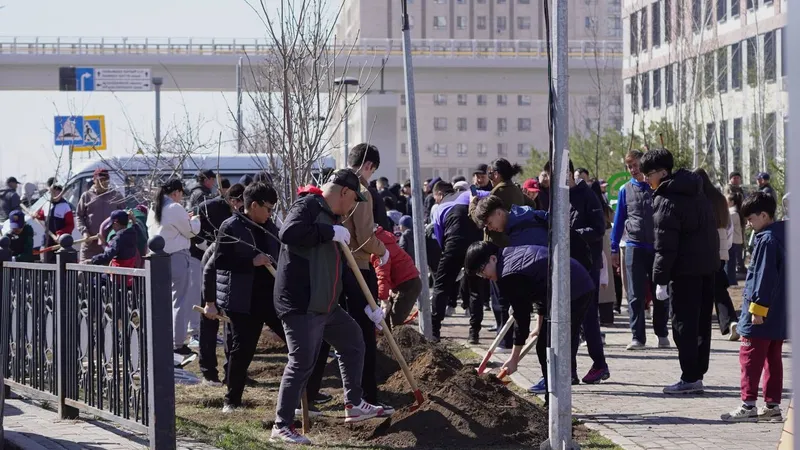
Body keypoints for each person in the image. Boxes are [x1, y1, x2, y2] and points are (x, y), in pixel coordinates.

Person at [271, 169, 386, 445]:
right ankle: (281, 425)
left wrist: (366, 305)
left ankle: (354, 404)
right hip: (302, 303)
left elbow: (343, 269)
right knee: (301, 362)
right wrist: (328, 232)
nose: (352, 206)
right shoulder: (308, 205)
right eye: (352, 199)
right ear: (343, 193)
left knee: (353, 341)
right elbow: (289, 232)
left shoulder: (333, 219)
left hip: (326, 304)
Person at [464, 242, 595, 399]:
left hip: (573, 289)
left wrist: (514, 359)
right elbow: (539, 290)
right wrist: (539, 327)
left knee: (550, 346)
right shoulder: (506, 257)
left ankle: (555, 402)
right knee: (547, 343)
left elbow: (522, 318)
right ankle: (554, 398)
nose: (483, 276)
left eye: (481, 270)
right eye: (479, 274)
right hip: (569, 284)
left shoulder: (508, 274)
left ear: (492, 259)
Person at [639, 148, 719, 395]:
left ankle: (690, 377)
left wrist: (659, 279)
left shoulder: (666, 200)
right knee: (702, 324)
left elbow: (665, 246)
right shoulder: (698, 191)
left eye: (648, 174)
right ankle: (697, 374)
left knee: (683, 325)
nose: (645, 180)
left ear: (662, 173)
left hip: (684, 273)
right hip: (707, 269)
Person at [208, 182, 283, 412]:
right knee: (242, 351)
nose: (270, 213)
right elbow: (220, 261)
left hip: (270, 297)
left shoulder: (270, 227)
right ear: (253, 205)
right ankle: (232, 400)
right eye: (268, 208)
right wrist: (252, 261)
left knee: (296, 341)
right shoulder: (230, 227)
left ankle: (305, 396)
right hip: (242, 299)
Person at [721, 192, 786, 422]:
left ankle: (748, 405)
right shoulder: (783, 235)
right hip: (778, 312)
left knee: (749, 356)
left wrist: (757, 309)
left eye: (751, 219)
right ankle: (772, 406)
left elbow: (762, 275)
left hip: (760, 311)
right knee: (773, 358)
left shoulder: (767, 239)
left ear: (764, 215)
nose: (748, 224)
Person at [342, 143, 392, 412]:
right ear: (369, 166)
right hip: (358, 267)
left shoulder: (335, 184)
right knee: (363, 335)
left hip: (337, 269)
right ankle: (367, 398)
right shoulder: (361, 191)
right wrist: (382, 252)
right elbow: (363, 237)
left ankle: (318, 395)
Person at [610, 150, 670, 350]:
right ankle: (637, 337)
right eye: (630, 167)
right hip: (634, 247)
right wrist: (613, 248)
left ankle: (662, 333)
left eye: (636, 165)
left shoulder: (657, 187)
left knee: (659, 292)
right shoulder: (624, 190)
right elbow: (618, 222)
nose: (633, 170)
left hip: (657, 247)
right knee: (635, 294)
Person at [146, 178, 202, 364]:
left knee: (161, 301)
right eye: (181, 194)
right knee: (180, 300)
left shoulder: (155, 207)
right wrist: (194, 220)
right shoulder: (175, 208)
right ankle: (177, 342)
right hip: (177, 256)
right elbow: (190, 232)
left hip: (157, 258)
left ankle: (160, 338)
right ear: (176, 192)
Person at [195, 183, 245, 385]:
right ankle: (208, 372)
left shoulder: (242, 222)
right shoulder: (224, 221)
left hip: (228, 281)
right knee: (209, 325)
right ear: (234, 202)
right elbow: (209, 269)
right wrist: (209, 301)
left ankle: (232, 372)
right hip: (213, 277)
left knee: (232, 330)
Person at [430, 186, 489, 341]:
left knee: (441, 286)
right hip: (475, 242)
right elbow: (492, 194)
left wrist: (450, 260)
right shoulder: (468, 194)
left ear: (441, 195)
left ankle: (434, 330)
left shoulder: (439, 208)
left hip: (453, 244)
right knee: (476, 288)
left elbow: (439, 237)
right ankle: (474, 333)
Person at [695, 168, 738, 340]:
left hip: (702, 247)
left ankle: (726, 321)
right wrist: (725, 248)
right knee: (718, 287)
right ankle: (730, 321)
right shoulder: (720, 199)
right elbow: (729, 228)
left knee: (705, 287)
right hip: (720, 246)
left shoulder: (698, 200)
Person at [372, 225, 422, 329]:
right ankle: (387, 340)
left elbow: (383, 275)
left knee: (395, 320)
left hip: (409, 285)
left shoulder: (379, 248)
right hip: (403, 283)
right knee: (387, 317)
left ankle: (395, 343)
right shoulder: (383, 239)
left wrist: (384, 299)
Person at [76, 169, 124, 262]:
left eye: (105, 180)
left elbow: (124, 215)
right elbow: (79, 216)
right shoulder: (86, 196)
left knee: (107, 274)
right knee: (84, 272)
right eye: (100, 180)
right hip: (90, 244)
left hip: (110, 244)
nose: (103, 183)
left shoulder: (116, 196)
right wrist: (84, 232)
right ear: (94, 180)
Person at [35, 184, 74, 264]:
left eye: (55, 192)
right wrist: (37, 215)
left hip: (60, 242)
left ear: (60, 193)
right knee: (44, 262)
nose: (52, 194)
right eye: (51, 192)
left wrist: (60, 234)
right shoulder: (47, 205)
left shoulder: (65, 207)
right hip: (46, 240)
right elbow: (42, 216)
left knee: (59, 264)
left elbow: (70, 225)